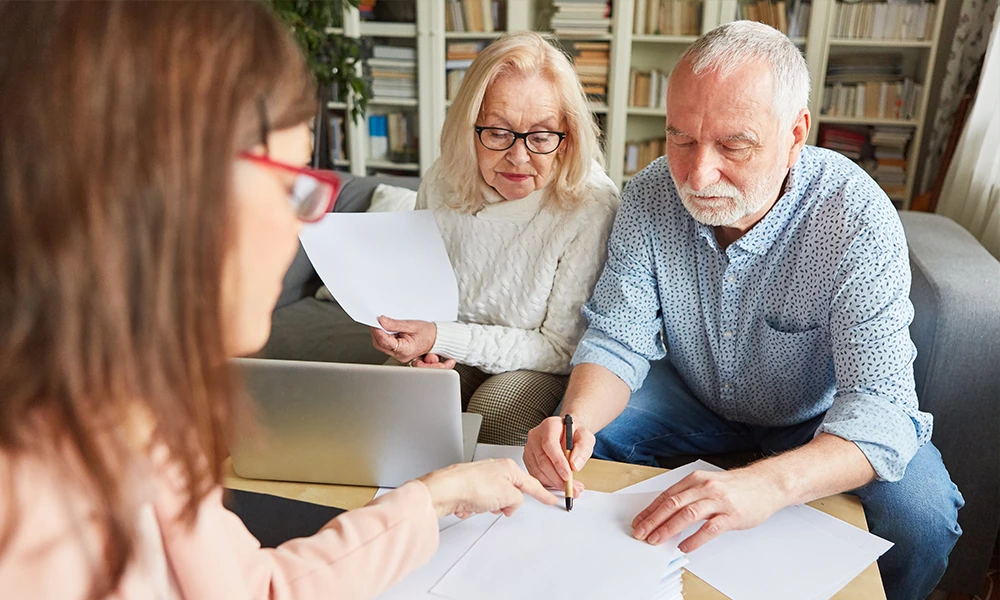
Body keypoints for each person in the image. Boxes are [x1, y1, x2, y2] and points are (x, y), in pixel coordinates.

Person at [0, 3, 558, 598]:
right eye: (287, 183)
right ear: (159, 185)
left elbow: (259, 587)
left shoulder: (133, 424)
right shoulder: (33, 510)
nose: (301, 225)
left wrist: (434, 496)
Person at [523, 21, 963, 600]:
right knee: (582, 444)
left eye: (734, 145)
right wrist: (576, 419)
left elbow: (881, 409)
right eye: (680, 138)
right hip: (687, 394)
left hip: (817, 419)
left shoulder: (856, 216)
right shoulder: (650, 193)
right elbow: (617, 338)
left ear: (795, 134)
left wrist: (769, 485)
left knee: (924, 515)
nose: (698, 175)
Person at [370, 32, 620, 446]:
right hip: (452, 342)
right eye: (498, 133)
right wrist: (418, 345)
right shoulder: (443, 180)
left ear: (568, 136)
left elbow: (560, 348)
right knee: (392, 394)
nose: (519, 157)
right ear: (469, 128)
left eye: (541, 136)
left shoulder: (590, 204)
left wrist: (442, 336)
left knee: (496, 414)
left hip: (538, 362)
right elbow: (422, 293)